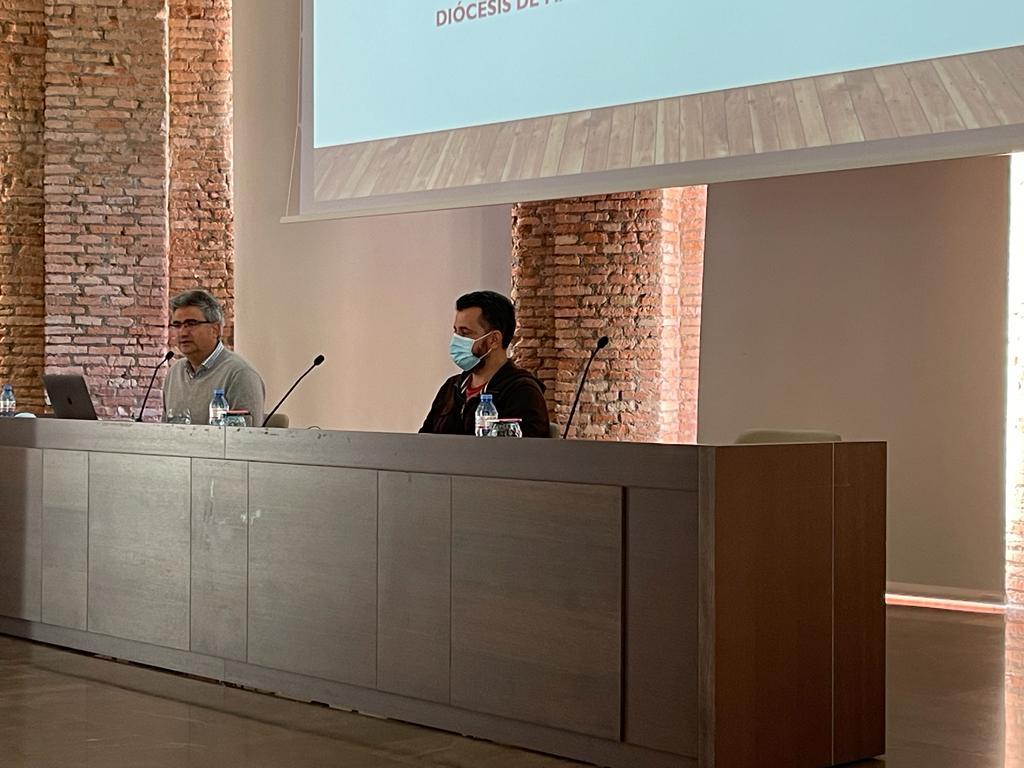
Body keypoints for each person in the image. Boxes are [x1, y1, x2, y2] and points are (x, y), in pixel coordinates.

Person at [420, 290, 551, 437]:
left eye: (465, 333)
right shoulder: (452, 388)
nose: (456, 340)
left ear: (494, 339)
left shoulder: (522, 391)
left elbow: (530, 454)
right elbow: (424, 444)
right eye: (456, 332)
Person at [163, 289, 265, 426]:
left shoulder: (240, 375)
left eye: (191, 324)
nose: (182, 332)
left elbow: (246, 441)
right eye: (177, 325)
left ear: (215, 330)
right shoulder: (175, 372)